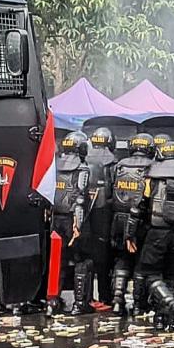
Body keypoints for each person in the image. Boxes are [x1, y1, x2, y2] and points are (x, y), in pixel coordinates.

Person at [126, 140, 174, 330]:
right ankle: (164, 319)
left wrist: (130, 234)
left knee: (150, 273)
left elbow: (138, 208)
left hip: (157, 232)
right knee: (172, 275)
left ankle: (166, 301)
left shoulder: (152, 177)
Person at [109, 133, 156, 317]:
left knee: (122, 259)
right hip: (142, 220)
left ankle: (117, 301)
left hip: (118, 219)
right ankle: (138, 305)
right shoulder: (152, 168)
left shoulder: (120, 165)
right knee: (141, 263)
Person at [50, 131, 92, 316]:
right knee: (81, 261)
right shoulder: (82, 169)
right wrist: (78, 226)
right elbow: (80, 198)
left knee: (56, 262)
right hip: (72, 219)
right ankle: (79, 303)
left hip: (54, 220)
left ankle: (52, 302)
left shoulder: (54, 167)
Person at [85, 128, 117, 311]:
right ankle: (106, 297)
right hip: (105, 215)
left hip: (84, 215)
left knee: (86, 259)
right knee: (104, 259)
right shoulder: (113, 163)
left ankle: (85, 298)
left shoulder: (83, 160)